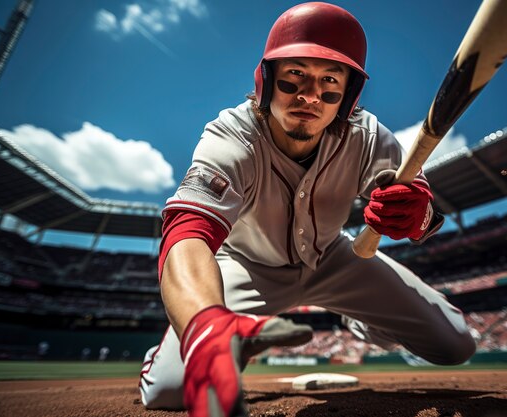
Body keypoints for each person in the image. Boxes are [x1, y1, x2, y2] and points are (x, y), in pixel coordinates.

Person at [139, 2, 476, 416]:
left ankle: (361, 321)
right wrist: (205, 323)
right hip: (246, 268)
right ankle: (172, 354)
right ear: (267, 79)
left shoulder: (369, 137)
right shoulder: (231, 136)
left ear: (347, 95)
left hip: (336, 258)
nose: (310, 96)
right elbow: (188, 232)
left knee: (456, 344)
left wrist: (415, 214)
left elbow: (424, 216)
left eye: (330, 80)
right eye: (295, 75)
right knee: (171, 391)